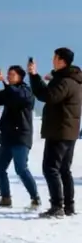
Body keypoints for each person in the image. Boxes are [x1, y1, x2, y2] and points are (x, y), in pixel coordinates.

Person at [29, 48, 82, 219]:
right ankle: (68, 206)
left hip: (60, 130)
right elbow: (49, 94)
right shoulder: (72, 80)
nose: (52, 60)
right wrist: (35, 76)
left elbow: (49, 96)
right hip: (68, 130)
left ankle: (57, 206)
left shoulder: (65, 81)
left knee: (51, 168)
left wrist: (35, 77)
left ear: (62, 61)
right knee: (64, 169)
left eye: (55, 58)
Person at [0, 66, 40, 209]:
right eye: (8, 75)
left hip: (21, 137)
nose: (9, 77)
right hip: (7, 137)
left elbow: (18, 96)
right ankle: (5, 198)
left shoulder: (26, 91)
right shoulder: (9, 91)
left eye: (12, 75)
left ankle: (35, 198)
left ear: (20, 77)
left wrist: (6, 85)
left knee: (21, 169)